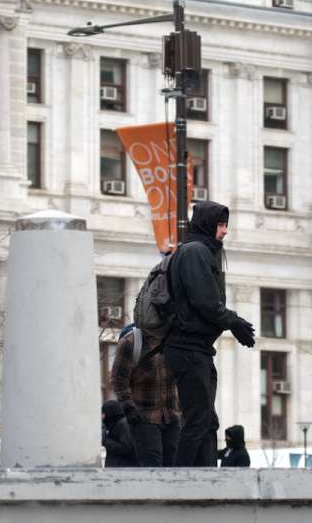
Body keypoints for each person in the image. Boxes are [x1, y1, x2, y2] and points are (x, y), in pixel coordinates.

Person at [163, 200, 256, 466]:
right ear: (207, 224)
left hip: (199, 349)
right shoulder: (195, 252)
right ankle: (181, 483)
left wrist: (231, 322)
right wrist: (234, 322)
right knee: (198, 420)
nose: (225, 231)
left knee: (207, 421)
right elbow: (205, 301)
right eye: (220, 224)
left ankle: (206, 476)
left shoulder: (204, 251)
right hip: (187, 347)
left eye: (226, 225)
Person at [111, 323, 180, 466]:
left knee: (173, 469)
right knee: (152, 468)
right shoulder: (131, 342)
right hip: (144, 417)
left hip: (171, 416)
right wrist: (129, 408)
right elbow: (118, 380)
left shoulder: (175, 339)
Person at [101, 400, 138, 468]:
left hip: (123, 468)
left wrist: (105, 441)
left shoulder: (124, 424)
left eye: (103, 413)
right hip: (117, 467)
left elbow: (127, 448)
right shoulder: (112, 424)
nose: (102, 416)